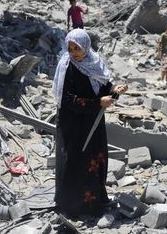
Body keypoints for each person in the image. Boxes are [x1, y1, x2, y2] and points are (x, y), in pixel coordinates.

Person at [52, 29, 128, 217]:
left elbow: (103, 86)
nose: (73, 52)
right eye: (70, 48)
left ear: (85, 47)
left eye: (76, 48)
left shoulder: (94, 63)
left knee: (95, 158)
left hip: (93, 122)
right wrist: (97, 103)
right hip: (73, 124)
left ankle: (96, 201)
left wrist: (114, 90)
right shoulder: (67, 67)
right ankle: (72, 206)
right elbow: (67, 99)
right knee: (75, 161)